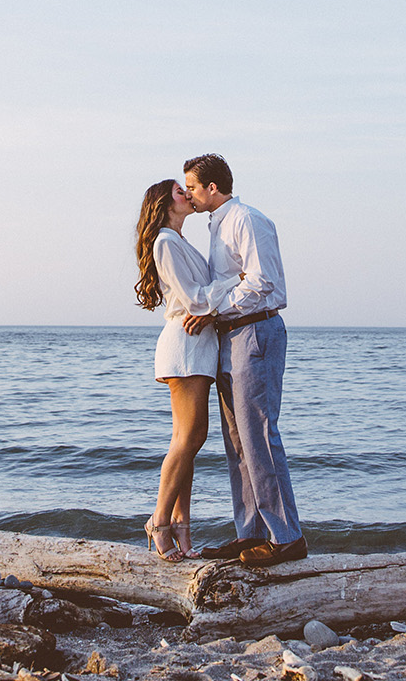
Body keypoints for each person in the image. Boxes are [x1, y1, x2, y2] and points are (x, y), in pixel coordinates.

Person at [180, 153, 307, 567]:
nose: (189, 195)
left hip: (256, 330)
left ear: (212, 188)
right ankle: (250, 534)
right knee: (237, 443)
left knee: (259, 436)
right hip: (231, 336)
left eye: (193, 188)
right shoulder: (219, 227)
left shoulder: (246, 219)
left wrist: (213, 309)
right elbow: (227, 282)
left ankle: (287, 537)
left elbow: (262, 281)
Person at [134, 178, 239, 561]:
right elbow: (196, 300)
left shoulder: (178, 242)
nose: (188, 194)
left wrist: (211, 303)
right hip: (185, 343)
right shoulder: (165, 242)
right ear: (165, 202)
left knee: (190, 442)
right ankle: (159, 520)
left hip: (198, 344)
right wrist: (238, 279)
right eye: (181, 191)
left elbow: (202, 297)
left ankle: (181, 525)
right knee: (189, 437)